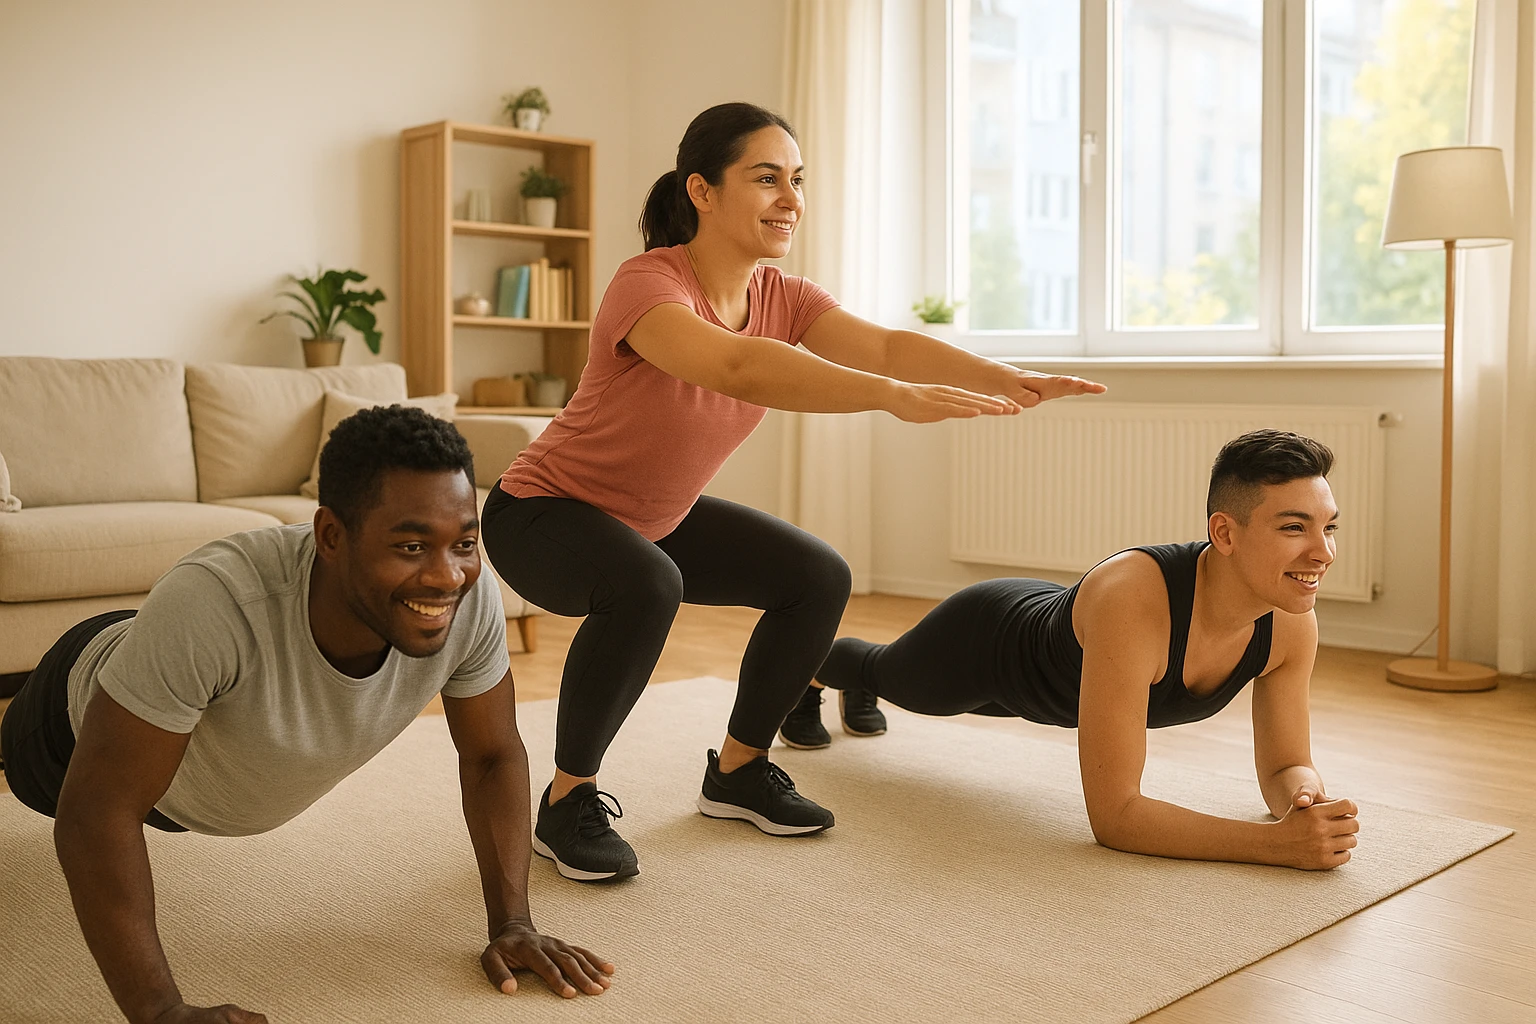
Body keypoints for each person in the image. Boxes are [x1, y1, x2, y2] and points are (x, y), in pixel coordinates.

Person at [481, 101, 1106, 883]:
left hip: (654, 517)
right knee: (647, 583)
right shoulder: (649, 283)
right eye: (766, 178)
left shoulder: (785, 296)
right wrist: (886, 395)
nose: (791, 198)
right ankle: (567, 800)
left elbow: (883, 343)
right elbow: (736, 367)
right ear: (701, 191)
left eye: (797, 180)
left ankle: (738, 772)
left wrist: (1004, 377)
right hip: (541, 512)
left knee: (816, 575)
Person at [0, 407, 613, 1024]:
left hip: (189, 746)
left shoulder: (468, 599)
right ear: (330, 537)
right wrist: (161, 1012)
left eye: (463, 543)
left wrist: (513, 922)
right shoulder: (213, 605)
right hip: (67, 721)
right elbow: (95, 812)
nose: (445, 575)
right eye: (410, 545)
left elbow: (492, 755)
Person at [815, 430, 1361, 871]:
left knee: (908, 683)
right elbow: (1116, 818)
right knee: (897, 679)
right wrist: (1272, 847)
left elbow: (1288, 764)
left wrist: (1305, 804)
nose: (1323, 552)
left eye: (1329, 527)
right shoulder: (1135, 601)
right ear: (1224, 532)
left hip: (1063, 679)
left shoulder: (1291, 622)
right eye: (1295, 527)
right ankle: (820, 671)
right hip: (990, 639)